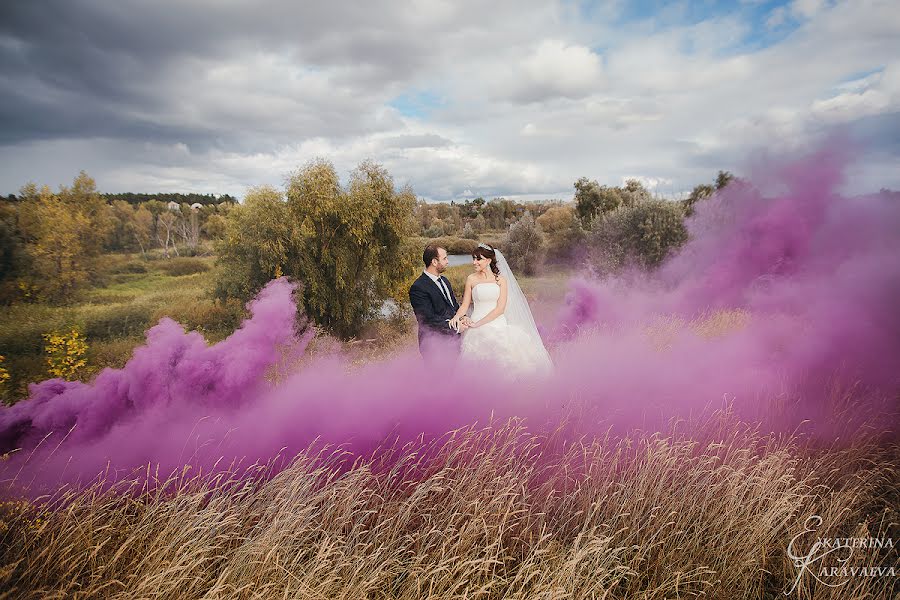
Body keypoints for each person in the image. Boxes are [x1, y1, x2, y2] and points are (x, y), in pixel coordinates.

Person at [448, 243, 552, 376]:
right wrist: (457, 317)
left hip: (496, 324)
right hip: (475, 328)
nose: (474, 262)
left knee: (505, 364)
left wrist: (477, 323)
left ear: (489, 260)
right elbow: (464, 305)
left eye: (478, 259)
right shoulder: (471, 279)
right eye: (473, 258)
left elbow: (500, 308)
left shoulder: (500, 280)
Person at [409, 244, 467, 361]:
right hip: (434, 345)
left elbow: (453, 306)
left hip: (454, 343)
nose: (447, 261)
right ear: (434, 262)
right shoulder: (418, 287)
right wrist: (456, 327)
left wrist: (462, 317)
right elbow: (427, 320)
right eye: (444, 258)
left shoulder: (445, 281)